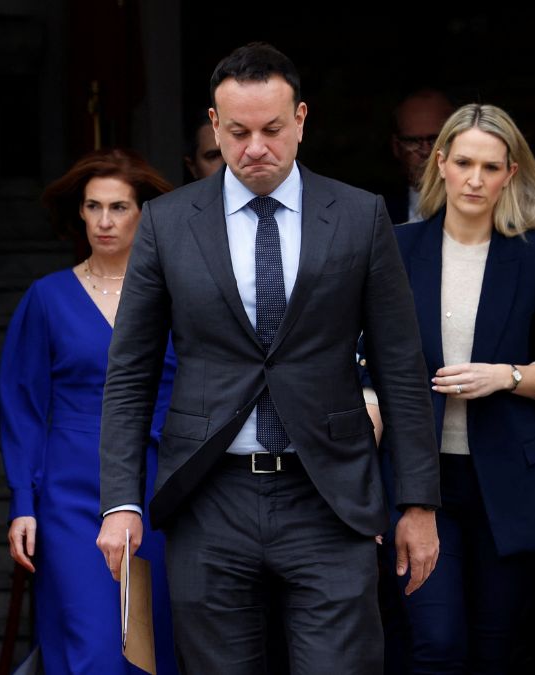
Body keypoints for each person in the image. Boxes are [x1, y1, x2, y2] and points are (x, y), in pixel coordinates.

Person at [95, 42, 441, 675]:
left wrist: (417, 502)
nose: (256, 147)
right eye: (238, 132)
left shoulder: (360, 217)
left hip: (328, 494)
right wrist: (121, 501)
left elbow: (400, 367)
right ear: (215, 125)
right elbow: (131, 373)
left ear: (302, 120)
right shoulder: (168, 224)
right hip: (208, 494)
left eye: (272, 129)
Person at [369, 103, 535, 673]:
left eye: (491, 167)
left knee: (498, 647)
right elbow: (365, 357)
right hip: (418, 477)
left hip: (508, 480)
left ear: (511, 173)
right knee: (434, 643)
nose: (476, 179)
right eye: (464, 162)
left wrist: (506, 377)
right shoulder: (395, 247)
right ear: (440, 164)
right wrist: (368, 400)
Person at [0, 148, 179, 675]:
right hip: (71, 491)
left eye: (119, 207)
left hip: (164, 486)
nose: (105, 221)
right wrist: (22, 501)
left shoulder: (176, 296)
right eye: (93, 206)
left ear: (143, 212)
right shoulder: (47, 298)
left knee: (158, 649)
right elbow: (23, 406)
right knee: (94, 647)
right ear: (78, 212)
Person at [383, 89, 454, 224]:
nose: (426, 151)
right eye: (413, 141)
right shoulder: (378, 215)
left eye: (435, 140)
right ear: (396, 147)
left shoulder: (487, 210)